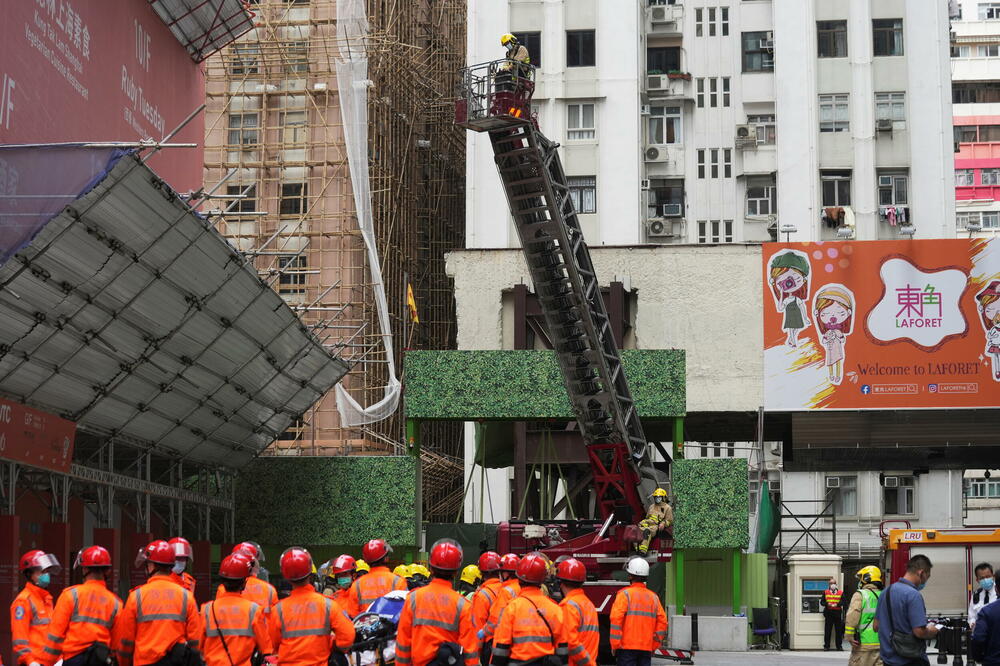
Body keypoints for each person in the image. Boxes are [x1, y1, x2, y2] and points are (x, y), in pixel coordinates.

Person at [116, 540, 203, 666]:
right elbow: (195, 639)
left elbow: (126, 640)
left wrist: (124, 662)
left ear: (153, 566)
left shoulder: (136, 596)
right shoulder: (186, 596)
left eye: (148, 563)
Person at [396, 539, 478, 666]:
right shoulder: (463, 606)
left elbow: (403, 643)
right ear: (456, 572)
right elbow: (470, 652)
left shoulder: (413, 599)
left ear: (431, 569)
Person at [269, 548, 355, 666]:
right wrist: (329, 643)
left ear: (285, 576)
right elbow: (347, 638)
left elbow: (274, 645)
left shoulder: (277, 611)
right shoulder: (329, 605)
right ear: (310, 572)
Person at [39, 546, 121, 666]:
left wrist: (46, 662)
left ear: (84, 569)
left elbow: (55, 636)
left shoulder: (70, 595)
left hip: (73, 660)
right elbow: (117, 643)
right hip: (101, 661)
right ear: (107, 571)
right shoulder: (116, 603)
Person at [491, 553, 568, 666]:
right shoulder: (555, 609)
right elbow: (563, 650)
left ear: (519, 578)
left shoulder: (511, 608)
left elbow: (501, 648)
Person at [199, 553, 272, 666]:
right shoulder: (254, 611)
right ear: (244, 582)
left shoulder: (207, 610)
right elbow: (266, 649)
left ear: (222, 581)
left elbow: (198, 646)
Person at [874, 554, 938, 666]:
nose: (925, 582)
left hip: (888, 660)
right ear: (921, 573)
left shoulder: (885, 592)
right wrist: (933, 630)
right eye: (927, 577)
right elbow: (919, 632)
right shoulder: (913, 595)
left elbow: (876, 626)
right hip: (910, 659)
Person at [609, 557, 667, 666]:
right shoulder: (653, 597)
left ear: (630, 575)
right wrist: (654, 645)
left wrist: (615, 645)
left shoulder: (624, 595)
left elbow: (616, 621)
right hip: (646, 648)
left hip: (626, 649)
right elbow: (662, 622)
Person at [11, 550, 60, 666]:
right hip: (34, 663)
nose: (46, 574)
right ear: (29, 574)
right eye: (42, 571)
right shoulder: (23, 601)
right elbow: (20, 639)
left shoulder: (47, 599)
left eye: (47, 571)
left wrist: (59, 658)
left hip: (51, 662)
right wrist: (30, 662)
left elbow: (52, 633)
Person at [346, 539, 408, 617]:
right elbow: (406, 612)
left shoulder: (357, 585)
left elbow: (352, 615)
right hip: (391, 627)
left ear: (366, 561)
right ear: (386, 558)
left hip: (364, 627)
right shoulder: (398, 581)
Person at [224, 542, 279, 623]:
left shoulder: (223, 588)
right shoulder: (269, 589)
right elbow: (275, 619)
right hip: (262, 633)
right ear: (253, 562)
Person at [557, 558, 598, 666]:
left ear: (561, 583)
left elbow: (571, 643)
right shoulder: (589, 604)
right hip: (589, 660)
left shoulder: (568, 606)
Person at [478, 554, 521, 648]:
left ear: (506, 574)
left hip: (500, 640)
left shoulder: (506, 591)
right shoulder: (521, 587)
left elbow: (495, 619)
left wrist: (484, 631)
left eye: (501, 572)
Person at [844, 566, 884, 666]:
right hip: (882, 644)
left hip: (864, 645)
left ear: (866, 578)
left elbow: (852, 617)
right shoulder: (884, 595)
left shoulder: (860, 595)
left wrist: (849, 636)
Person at [471, 552, 503, 666]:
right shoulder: (507, 589)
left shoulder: (482, 595)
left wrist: (476, 656)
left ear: (481, 572)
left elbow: (478, 626)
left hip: (489, 648)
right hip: (507, 646)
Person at [637, 489, 673, 555]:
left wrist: (663, 523)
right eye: (656, 497)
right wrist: (643, 523)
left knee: (647, 532)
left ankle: (643, 551)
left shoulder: (667, 508)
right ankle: (637, 549)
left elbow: (669, 520)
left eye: (659, 497)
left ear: (663, 497)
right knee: (636, 531)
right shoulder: (651, 506)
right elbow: (647, 517)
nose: (657, 498)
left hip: (656, 526)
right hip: (647, 524)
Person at [971, 563, 998, 630]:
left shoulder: (999, 592)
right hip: (980, 634)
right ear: (977, 580)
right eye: (982, 578)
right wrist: (973, 623)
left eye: (988, 576)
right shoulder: (976, 595)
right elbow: (972, 616)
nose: (985, 580)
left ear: (993, 576)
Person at [822, 577, 845, 651]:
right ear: (829, 585)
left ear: (836, 584)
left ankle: (839, 646)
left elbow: (844, 602)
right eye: (831, 583)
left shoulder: (840, 592)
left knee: (838, 631)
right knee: (827, 630)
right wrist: (827, 604)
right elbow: (822, 602)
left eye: (834, 583)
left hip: (837, 613)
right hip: (828, 613)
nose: (832, 585)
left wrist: (837, 604)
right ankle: (826, 646)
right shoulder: (825, 592)